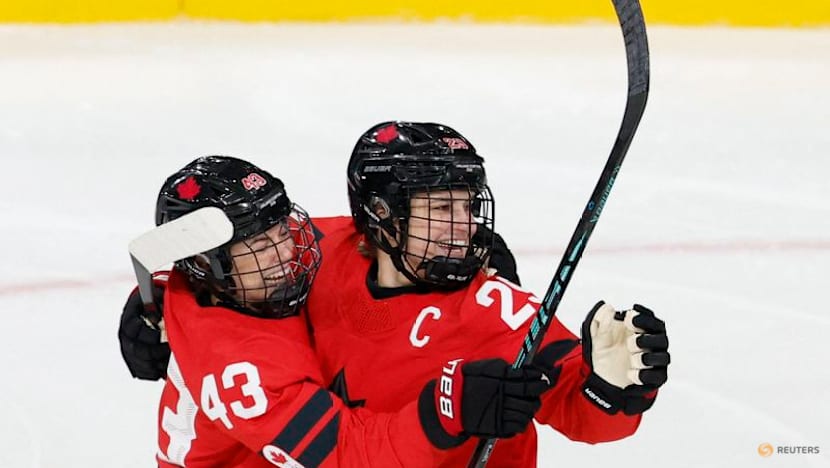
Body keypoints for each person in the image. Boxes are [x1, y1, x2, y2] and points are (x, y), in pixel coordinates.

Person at [119, 123, 671, 467]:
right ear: (382, 216)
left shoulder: (312, 252)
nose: (463, 227)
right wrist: (445, 410)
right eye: (440, 209)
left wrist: (613, 389)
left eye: (466, 206)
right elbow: (348, 452)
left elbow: (583, 408)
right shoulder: (248, 357)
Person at [142, 155, 551, 467]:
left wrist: (444, 241)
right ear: (206, 263)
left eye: (281, 229)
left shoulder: (240, 280)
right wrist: (447, 411)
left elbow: (337, 233)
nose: (287, 252)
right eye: (263, 246)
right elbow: (350, 453)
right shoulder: (240, 368)